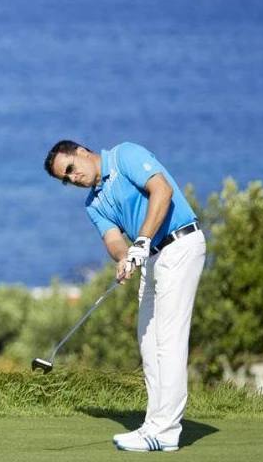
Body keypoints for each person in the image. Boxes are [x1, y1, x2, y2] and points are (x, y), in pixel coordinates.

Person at [43, 139, 206, 453]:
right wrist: (125, 258)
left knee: (168, 340)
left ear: (80, 152)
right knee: (148, 342)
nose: (73, 179)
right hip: (152, 258)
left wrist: (142, 241)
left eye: (71, 170)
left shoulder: (124, 155)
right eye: (66, 180)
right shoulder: (93, 204)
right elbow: (114, 240)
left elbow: (162, 190)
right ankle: (154, 424)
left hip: (180, 245)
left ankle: (166, 430)